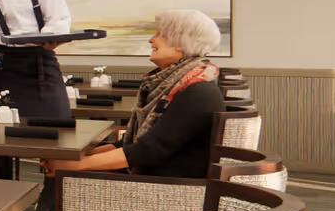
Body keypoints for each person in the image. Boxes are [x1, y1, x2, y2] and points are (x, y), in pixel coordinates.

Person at [41, 9, 227, 180]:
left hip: (170, 186)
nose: (151, 40)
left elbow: (150, 150)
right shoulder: (179, 83)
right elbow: (133, 144)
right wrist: (80, 157)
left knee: (64, 175)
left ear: (181, 44)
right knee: (64, 169)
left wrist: (75, 164)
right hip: (156, 173)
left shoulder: (198, 91)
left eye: (159, 35)